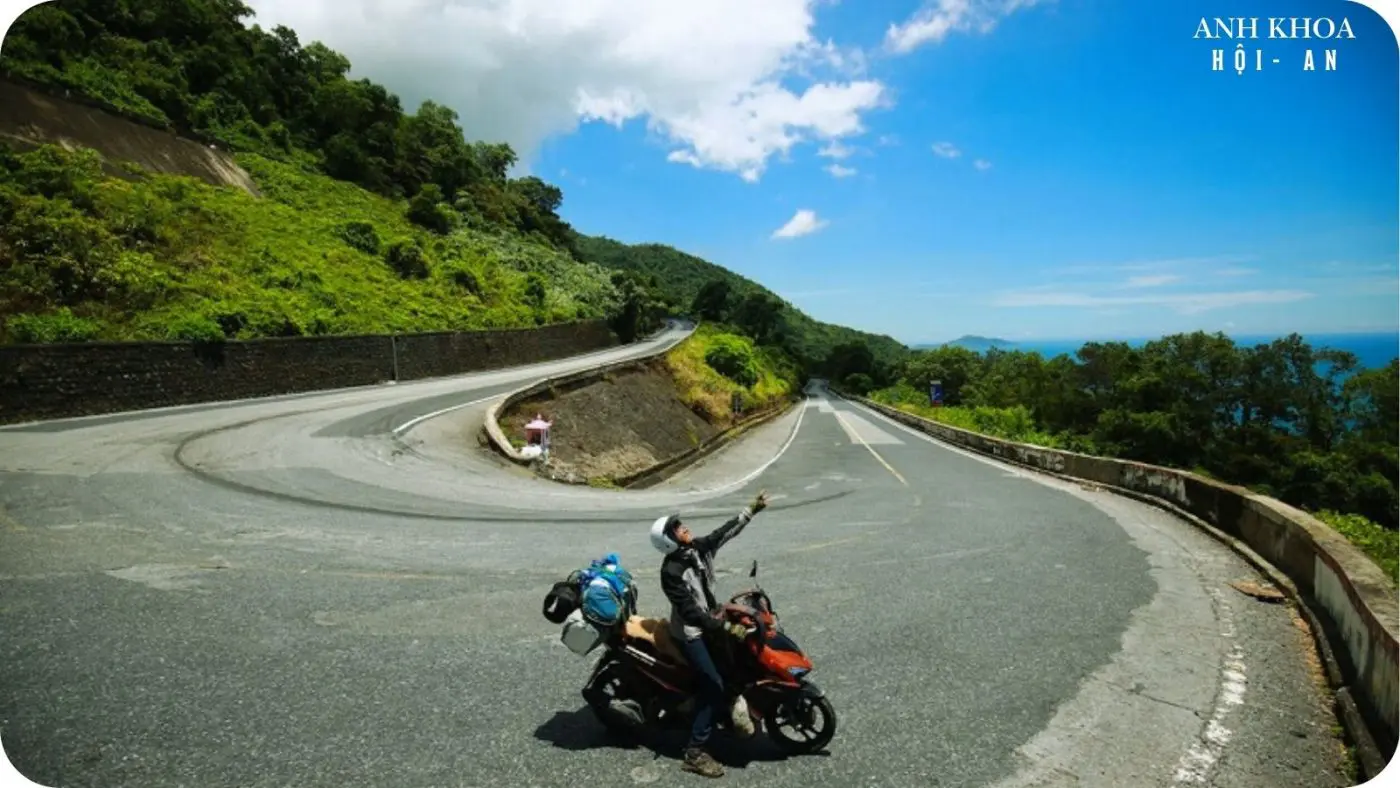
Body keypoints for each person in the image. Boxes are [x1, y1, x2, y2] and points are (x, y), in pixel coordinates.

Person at [649, 490, 770, 778]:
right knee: (713, 684)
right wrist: (726, 627)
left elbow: (722, 534)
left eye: (681, 525)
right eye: (677, 528)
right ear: (669, 540)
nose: (684, 528)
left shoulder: (695, 551)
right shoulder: (672, 571)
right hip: (691, 633)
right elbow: (692, 614)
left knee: (736, 661)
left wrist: (751, 509)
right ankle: (694, 751)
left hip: (710, 620)